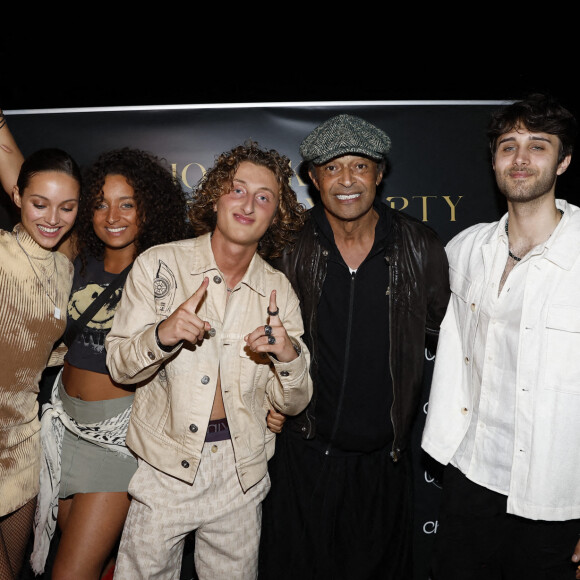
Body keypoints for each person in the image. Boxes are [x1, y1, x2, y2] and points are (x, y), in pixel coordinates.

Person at [104, 140, 313, 579]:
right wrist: (163, 335)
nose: (248, 204)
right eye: (237, 189)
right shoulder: (160, 265)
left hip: (242, 471)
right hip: (164, 468)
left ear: (276, 215)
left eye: (264, 197)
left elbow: (292, 404)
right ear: (216, 195)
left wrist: (287, 356)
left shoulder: (279, 292)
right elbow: (120, 366)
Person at [258, 114, 451, 580]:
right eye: (332, 167)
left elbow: (450, 347)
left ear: (380, 174)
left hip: (384, 463)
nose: (347, 180)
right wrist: (264, 396)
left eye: (360, 166)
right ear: (313, 178)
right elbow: (254, 335)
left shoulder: (419, 247)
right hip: (302, 457)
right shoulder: (285, 245)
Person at [421, 93, 580, 579]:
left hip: (554, 494)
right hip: (470, 476)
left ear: (564, 161)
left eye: (538, 145)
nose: (521, 158)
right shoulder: (465, 250)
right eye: (508, 146)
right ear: (493, 161)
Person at [25, 147, 193, 580]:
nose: (112, 215)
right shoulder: (76, 253)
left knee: (69, 573)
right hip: (62, 429)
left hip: (117, 443)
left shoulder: (164, 270)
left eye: (127, 203)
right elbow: (26, 184)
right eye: (100, 203)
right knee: (97, 563)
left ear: (147, 209)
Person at [0, 142, 81, 579]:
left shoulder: (63, 269)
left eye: (66, 207)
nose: (52, 218)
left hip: (24, 444)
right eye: (39, 203)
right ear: (16, 197)